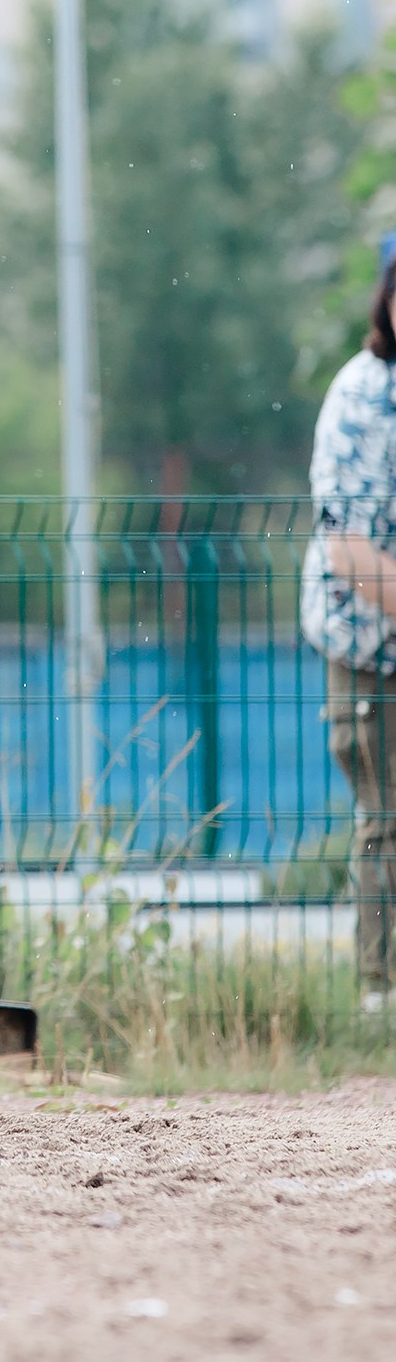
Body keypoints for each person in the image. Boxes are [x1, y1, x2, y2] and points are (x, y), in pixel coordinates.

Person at [299, 249, 396, 1017]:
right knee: (387, 817)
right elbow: (349, 549)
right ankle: (380, 995)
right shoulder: (362, 398)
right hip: (370, 649)